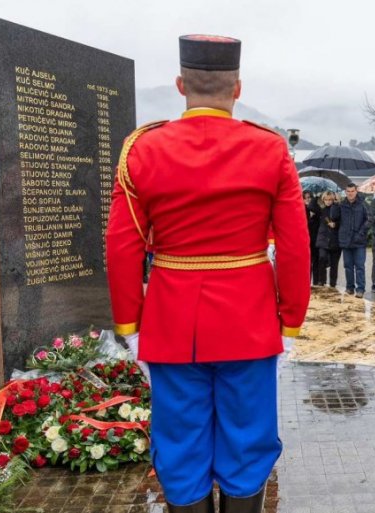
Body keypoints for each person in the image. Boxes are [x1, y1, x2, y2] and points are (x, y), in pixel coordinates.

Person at [105, 34, 310, 512]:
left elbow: (121, 246)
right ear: (237, 89)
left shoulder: (142, 148)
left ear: (181, 85)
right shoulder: (270, 149)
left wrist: (129, 326)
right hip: (250, 320)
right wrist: (291, 319)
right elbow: (296, 245)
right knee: (248, 439)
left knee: (179, 444)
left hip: (171, 319)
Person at [339, 183, 370, 297]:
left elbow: (369, 220)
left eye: (352, 191)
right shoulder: (342, 204)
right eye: (348, 191)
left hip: (359, 241)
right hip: (346, 240)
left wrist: (361, 233)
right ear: (345, 192)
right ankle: (349, 287)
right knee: (348, 266)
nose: (350, 193)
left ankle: (360, 289)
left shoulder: (363, 204)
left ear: (356, 191)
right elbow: (336, 218)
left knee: (359, 266)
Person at [315, 191, 341, 288]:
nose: (328, 201)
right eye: (326, 199)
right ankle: (322, 280)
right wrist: (317, 195)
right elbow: (311, 207)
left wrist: (335, 224)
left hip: (335, 240)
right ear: (323, 200)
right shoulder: (322, 210)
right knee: (322, 258)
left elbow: (341, 221)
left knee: (334, 263)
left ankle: (333, 283)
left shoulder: (338, 208)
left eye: (330, 199)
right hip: (323, 239)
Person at [305, 191, 322, 285]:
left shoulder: (316, 209)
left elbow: (316, 209)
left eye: (309, 197)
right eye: (305, 198)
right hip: (306, 241)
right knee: (307, 264)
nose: (307, 199)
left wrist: (315, 199)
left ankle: (316, 282)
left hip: (316, 240)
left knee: (316, 263)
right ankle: (307, 283)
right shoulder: (302, 210)